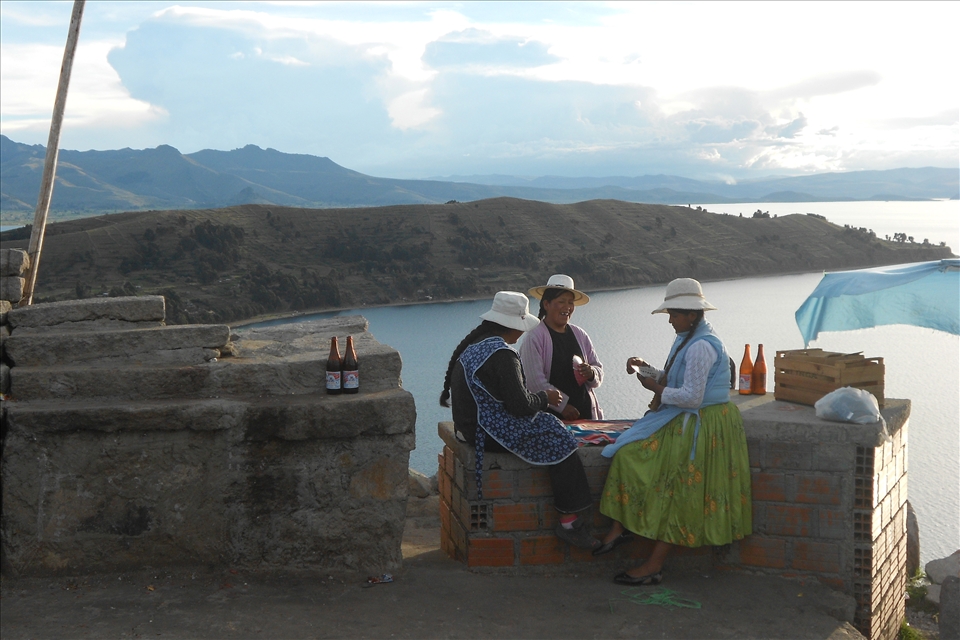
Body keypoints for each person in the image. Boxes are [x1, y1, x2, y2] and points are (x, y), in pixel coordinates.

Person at [594, 278, 752, 585]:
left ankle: (652, 563)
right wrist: (649, 370)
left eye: (674, 314)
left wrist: (655, 387)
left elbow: (692, 396)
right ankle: (622, 528)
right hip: (689, 418)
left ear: (692, 314)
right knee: (629, 456)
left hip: (703, 424)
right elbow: (677, 379)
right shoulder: (688, 338)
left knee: (677, 492)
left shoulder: (703, 346)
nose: (669, 320)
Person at [440, 291, 599, 550]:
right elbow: (520, 406)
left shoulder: (476, 346)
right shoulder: (503, 355)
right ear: (514, 325)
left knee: (550, 427)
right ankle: (570, 522)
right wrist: (545, 398)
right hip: (487, 431)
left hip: (471, 428)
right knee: (559, 436)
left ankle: (570, 520)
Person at [520, 274, 604, 422]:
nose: (567, 307)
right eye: (561, 302)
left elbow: (598, 369)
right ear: (546, 304)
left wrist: (591, 373)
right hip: (551, 420)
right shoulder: (534, 337)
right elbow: (534, 383)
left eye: (571, 303)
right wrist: (563, 406)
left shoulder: (580, 334)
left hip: (586, 417)